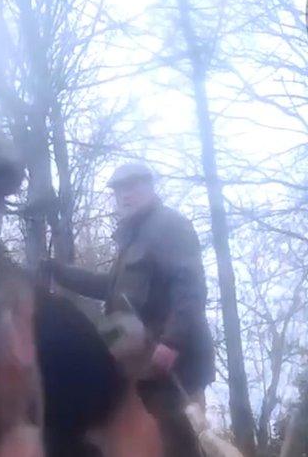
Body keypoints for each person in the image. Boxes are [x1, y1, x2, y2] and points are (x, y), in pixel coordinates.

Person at [40, 162, 215, 457]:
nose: (124, 195)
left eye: (132, 187)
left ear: (150, 187)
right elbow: (111, 287)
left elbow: (191, 288)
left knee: (180, 444)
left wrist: (172, 342)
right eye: (119, 190)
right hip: (142, 367)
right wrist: (61, 272)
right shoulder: (133, 239)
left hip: (175, 368)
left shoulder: (169, 225)